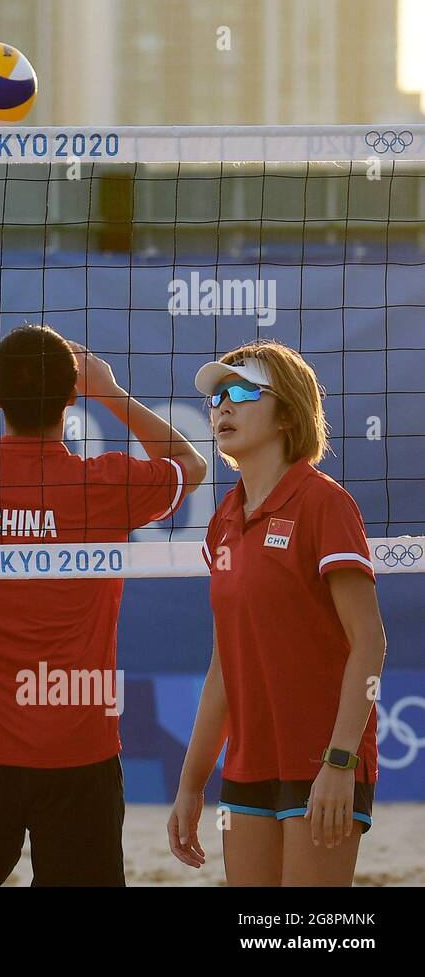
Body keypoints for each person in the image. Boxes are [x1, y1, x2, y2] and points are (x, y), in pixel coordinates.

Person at [0, 285, 207, 886]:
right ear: (72, 401)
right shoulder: (104, 485)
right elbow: (192, 465)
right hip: (79, 739)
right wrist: (107, 389)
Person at [168, 342, 386, 886]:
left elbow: (370, 641)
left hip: (323, 756)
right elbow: (225, 664)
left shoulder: (322, 503)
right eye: (217, 397)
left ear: (288, 412)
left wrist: (339, 763)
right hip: (249, 761)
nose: (223, 407)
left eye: (242, 393)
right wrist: (192, 783)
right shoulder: (224, 519)